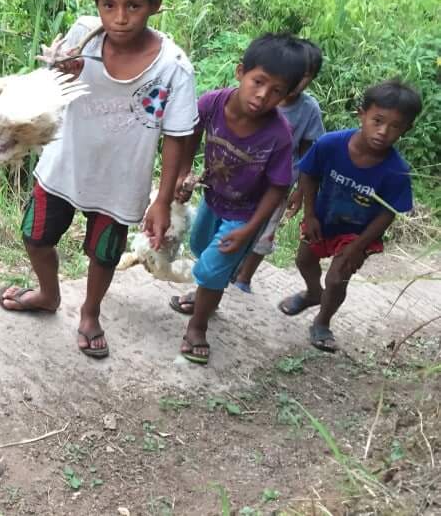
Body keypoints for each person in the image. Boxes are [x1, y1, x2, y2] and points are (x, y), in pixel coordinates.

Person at [0, 0, 199, 359]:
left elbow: (179, 135)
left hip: (121, 181)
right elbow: (48, 91)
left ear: (155, 6)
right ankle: (49, 295)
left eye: (133, 6)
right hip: (64, 164)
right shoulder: (83, 38)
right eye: (109, 5)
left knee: (104, 254)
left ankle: (90, 313)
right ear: (97, 5)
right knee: (34, 236)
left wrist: (161, 201)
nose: (120, 17)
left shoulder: (174, 68)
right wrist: (60, 73)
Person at [170, 33, 306, 364]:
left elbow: (277, 188)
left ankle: (198, 327)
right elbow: (189, 133)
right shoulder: (213, 103)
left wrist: (251, 231)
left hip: (244, 215)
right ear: (240, 72)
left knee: (214, 266)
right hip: (213, 201)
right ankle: (208, 294)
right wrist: (183, 173)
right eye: (258, 81)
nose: (263, 95)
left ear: (287, 95)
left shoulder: (279, 136)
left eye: (277, 91)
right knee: (202, 251)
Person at [278, 79, 421, 353]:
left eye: (395, 127)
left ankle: (322, 322)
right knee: (303, 260)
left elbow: (388, 213)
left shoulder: (396, 170)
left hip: (358, 233)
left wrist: (359, 246)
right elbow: (309, 174)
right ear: (361, 114)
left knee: (337, 278)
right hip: (324, 219)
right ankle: (312, 293)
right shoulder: (331, 144)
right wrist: (310, 215)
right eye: (377, 120)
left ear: (407, 129)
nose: (383, 132)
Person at [232, 38, 326, 292]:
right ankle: (228, 269)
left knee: (265, 233)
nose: (300, 82)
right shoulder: (252, 98)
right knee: (232, 226)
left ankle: (244, 278)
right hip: (243, 180)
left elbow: (310, 153)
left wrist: (300, 192)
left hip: (277, 185)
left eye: (307, 76)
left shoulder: (308, 110)